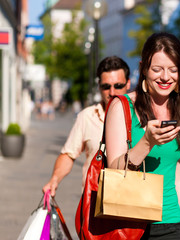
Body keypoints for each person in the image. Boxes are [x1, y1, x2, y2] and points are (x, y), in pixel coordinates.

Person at [105, 32, 180, 239]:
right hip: (130, 224)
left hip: (172, 223)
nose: (165, 77)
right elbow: (114, 168)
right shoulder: (122, 107)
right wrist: (147, 142)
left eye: (173, 70)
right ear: (143, 69)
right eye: (157, 69)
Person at [42, 56, 131, 197]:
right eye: (106, 87)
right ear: (99, 87)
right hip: (94, 203)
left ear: (128, 84)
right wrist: (54, 180)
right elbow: (69, 154)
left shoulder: (140, 116)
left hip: (131, 202)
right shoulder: (87, 116)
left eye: (118, 86)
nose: (112, 92)